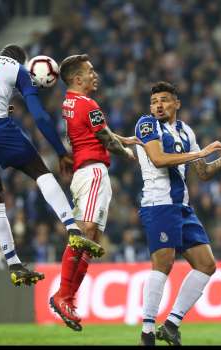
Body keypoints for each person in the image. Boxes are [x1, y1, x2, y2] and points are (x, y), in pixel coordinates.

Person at [0, 44, 103, 287]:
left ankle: (14, 264)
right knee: (40, 172)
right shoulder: (16, 69)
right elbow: (38, 116)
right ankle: (73, 230)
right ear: (22, 61)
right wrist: (60, 152)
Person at [135, 81, 221, 345]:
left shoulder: (186, 131)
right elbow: (157, 159)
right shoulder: (146, 125)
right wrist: (198, 153)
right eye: (155, 101)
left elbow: (203, 172)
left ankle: (171, 324)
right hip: (158, 204)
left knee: (207, 265)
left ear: (177, 103)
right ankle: (146, 332)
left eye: (165, 100)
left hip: (182, 207)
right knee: (164, 264)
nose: (158, 106)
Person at [49, 54, 140, 331]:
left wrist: (120, 138)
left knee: (93, 235)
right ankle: (62, 294)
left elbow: (96, 129)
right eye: (90, 72)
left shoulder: (71, 103)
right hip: (92, 171)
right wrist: (125, 150)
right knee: (86, 231)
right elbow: (103, 137)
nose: (95, 75)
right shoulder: (87, 103)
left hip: (88, 171)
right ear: (77, 79)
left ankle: (68, 296)